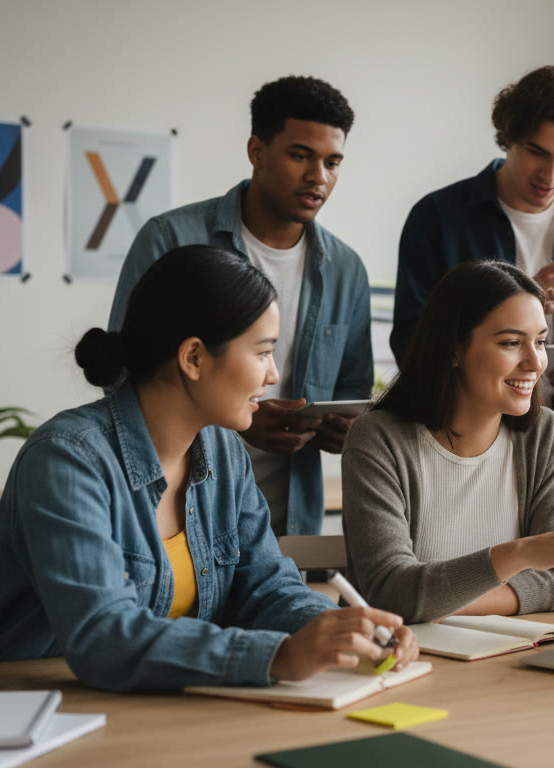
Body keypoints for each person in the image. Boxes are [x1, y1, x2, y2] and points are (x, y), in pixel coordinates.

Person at [0, 246, 416, 691]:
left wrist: (339, 628)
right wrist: (278, 657)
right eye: (262, 352)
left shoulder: (223, 452)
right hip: (16, 715)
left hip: (146, 710)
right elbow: (103, 635)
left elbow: (266, 587)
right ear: (193, 357)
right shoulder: (66, 459)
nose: (273, 375)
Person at [109, 75, 371, 537]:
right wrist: (237, 424)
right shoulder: (171, 239)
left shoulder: (347, 270)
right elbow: (124, 377)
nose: (319, 177)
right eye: (300, 155)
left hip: (289, 521)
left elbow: (354, 390)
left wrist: (344, 433)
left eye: (333, 162)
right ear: (256, 151)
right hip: (177, 509)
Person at [391, 65, 554, 507]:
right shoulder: (437, 218)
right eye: (537, 152)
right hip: (453, 448)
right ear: (508, 137)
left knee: (552, 574)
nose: (552, 173)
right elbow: (412, 346)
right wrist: (515, 304)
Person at [344, 261, 554, 624]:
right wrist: (520, 555)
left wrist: (434, 602)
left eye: (541, 342)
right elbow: (391, 593)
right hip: (406, 661)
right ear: (453, 349)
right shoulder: (379, 439)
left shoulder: (542, 434)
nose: (535, 362)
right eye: (512, 343)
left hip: (505, 657)